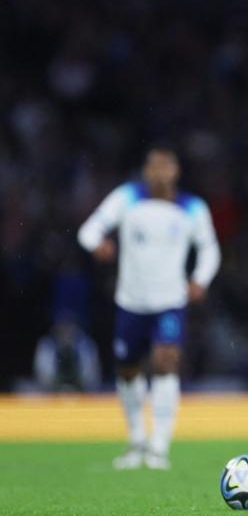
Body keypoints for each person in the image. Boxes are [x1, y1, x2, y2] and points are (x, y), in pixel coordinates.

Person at [78, 147, 221, 470]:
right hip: (131, 301)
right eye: (153, 167)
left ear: (176, 171)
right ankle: (136, 440)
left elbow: (210, 248)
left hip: (169, 301)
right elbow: (88, 230)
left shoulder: (192, 207)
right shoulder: (126, 198)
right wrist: (96, 244)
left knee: (165, 361)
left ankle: (159, 445)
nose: (159, 173)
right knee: (128, 370)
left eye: (165, 167)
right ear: (145, 171)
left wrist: (200, 279)